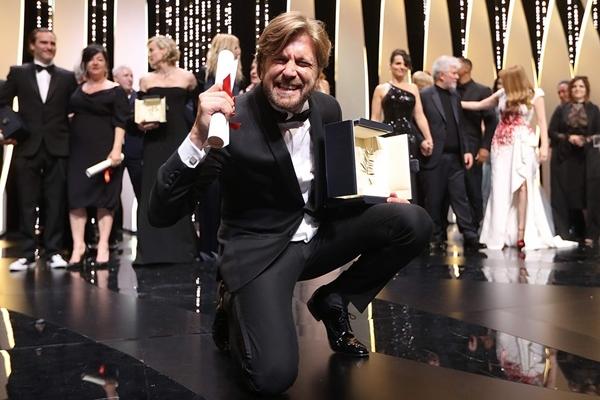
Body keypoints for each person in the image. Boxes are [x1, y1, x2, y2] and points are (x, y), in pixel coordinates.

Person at [148, 11, 432, 395]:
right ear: (262, 62)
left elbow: (334, 188)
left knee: (413, 221)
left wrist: (384, 195)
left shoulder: (327, 108)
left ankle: (334, 299)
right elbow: (162, 211)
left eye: (303, 62)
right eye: (280, 59)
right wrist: (198, 134)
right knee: (273, 377)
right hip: (261, 250)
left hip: (318, 236)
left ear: (318, 71)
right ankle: (232, 304)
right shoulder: (230, 118)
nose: (290, 71)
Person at [462, 65, 576, 250]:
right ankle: (500, 233)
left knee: (522, 185)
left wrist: (544, 146)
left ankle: (521, 234)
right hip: (501, 145)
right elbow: (480, 105)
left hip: (522, 144)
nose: (502, 83)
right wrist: (455, 102)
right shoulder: (502, 94)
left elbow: (542, 122)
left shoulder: (535, 95)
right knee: (500, 187)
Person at [0, 28, 77, 271]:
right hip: (27, 144)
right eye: (44, 42)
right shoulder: (18, 73)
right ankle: (26, 253)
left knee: (56, 201)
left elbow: (74, 108)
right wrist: (8, 129)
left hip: (58, 145)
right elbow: (2, 102)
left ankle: (53, 251)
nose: (49, 47)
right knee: (26, 201)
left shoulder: (67, 77)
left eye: (52, 43)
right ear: (32, 46)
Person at [135, 35, 199, 265]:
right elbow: (139, 114)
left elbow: (197, 112)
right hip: (154, 142)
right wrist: (141, 125)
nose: (150, 54)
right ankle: (150, 252)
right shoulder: (145, 80)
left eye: (152, 49)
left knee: (177, 188)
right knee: (151, 189)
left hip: (179, 138)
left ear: (165, 50)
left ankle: (182, 250)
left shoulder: (188, 78)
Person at [67, 45, 128, 265]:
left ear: (106, 64)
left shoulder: (116, 90)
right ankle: (79, 245)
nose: (95, 63)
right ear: (85, 64)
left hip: (105, 150)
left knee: (105, 199)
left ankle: (103, 245)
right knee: (76, 197)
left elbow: (121, 121)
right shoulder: (77, 89)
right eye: (91, 59)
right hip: (77, 151)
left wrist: (116, 149)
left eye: (100, 59)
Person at [419, 55, 483, 251]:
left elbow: (460, 126)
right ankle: (435, 237)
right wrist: (422, 140)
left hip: (456, 157)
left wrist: (467, 150)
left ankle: (470, 236)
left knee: (460, 197)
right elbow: (417, 122)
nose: (457, 76)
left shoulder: (455, 96)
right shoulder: (425, 95)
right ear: (441, 75)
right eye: (453, 73)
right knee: (434, 199)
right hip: (435, 156)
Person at [370, 49, 433, 205]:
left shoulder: (413, 88)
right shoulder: (381, 89)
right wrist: (372, 142)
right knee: (392, 176)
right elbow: (375, 118)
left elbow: (419, 115)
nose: (402, 67)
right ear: (390, 65)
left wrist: (428, 138)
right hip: (388, 138)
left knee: (410, 177)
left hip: (409, 139)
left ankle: (411, 211)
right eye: (398, 63)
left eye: (405, 64)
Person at [548, 76, 600, 246]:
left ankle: (591, 234)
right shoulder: (562, 109)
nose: (578, 89)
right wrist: (569, 138)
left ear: (587, 89)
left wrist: (586, 139)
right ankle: (563, 233)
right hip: (565, 157)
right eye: (575, 86)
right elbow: (552, 131)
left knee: (589, 195)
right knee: (563, 195)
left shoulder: (594, 110)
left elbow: (598, 133)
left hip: (587, 158)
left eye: (581, 86)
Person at [457, 57, 498, 230]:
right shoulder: (449, 90)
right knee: (454, 190)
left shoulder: (482, 90)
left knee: (473, 188)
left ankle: (476, 227)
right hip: (452, 146)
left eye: (457, 65)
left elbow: (491, 122)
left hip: (473, 145)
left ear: (467, 68)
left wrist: (484, 147)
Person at [113, 65, 143, 199]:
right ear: (116, 78)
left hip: (136, 151)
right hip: (114, 151)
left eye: (131, 76)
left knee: (141, 190)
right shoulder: (109, 98)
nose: (130, 79)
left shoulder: (140, 99)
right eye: (126, 75)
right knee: (113, 192)